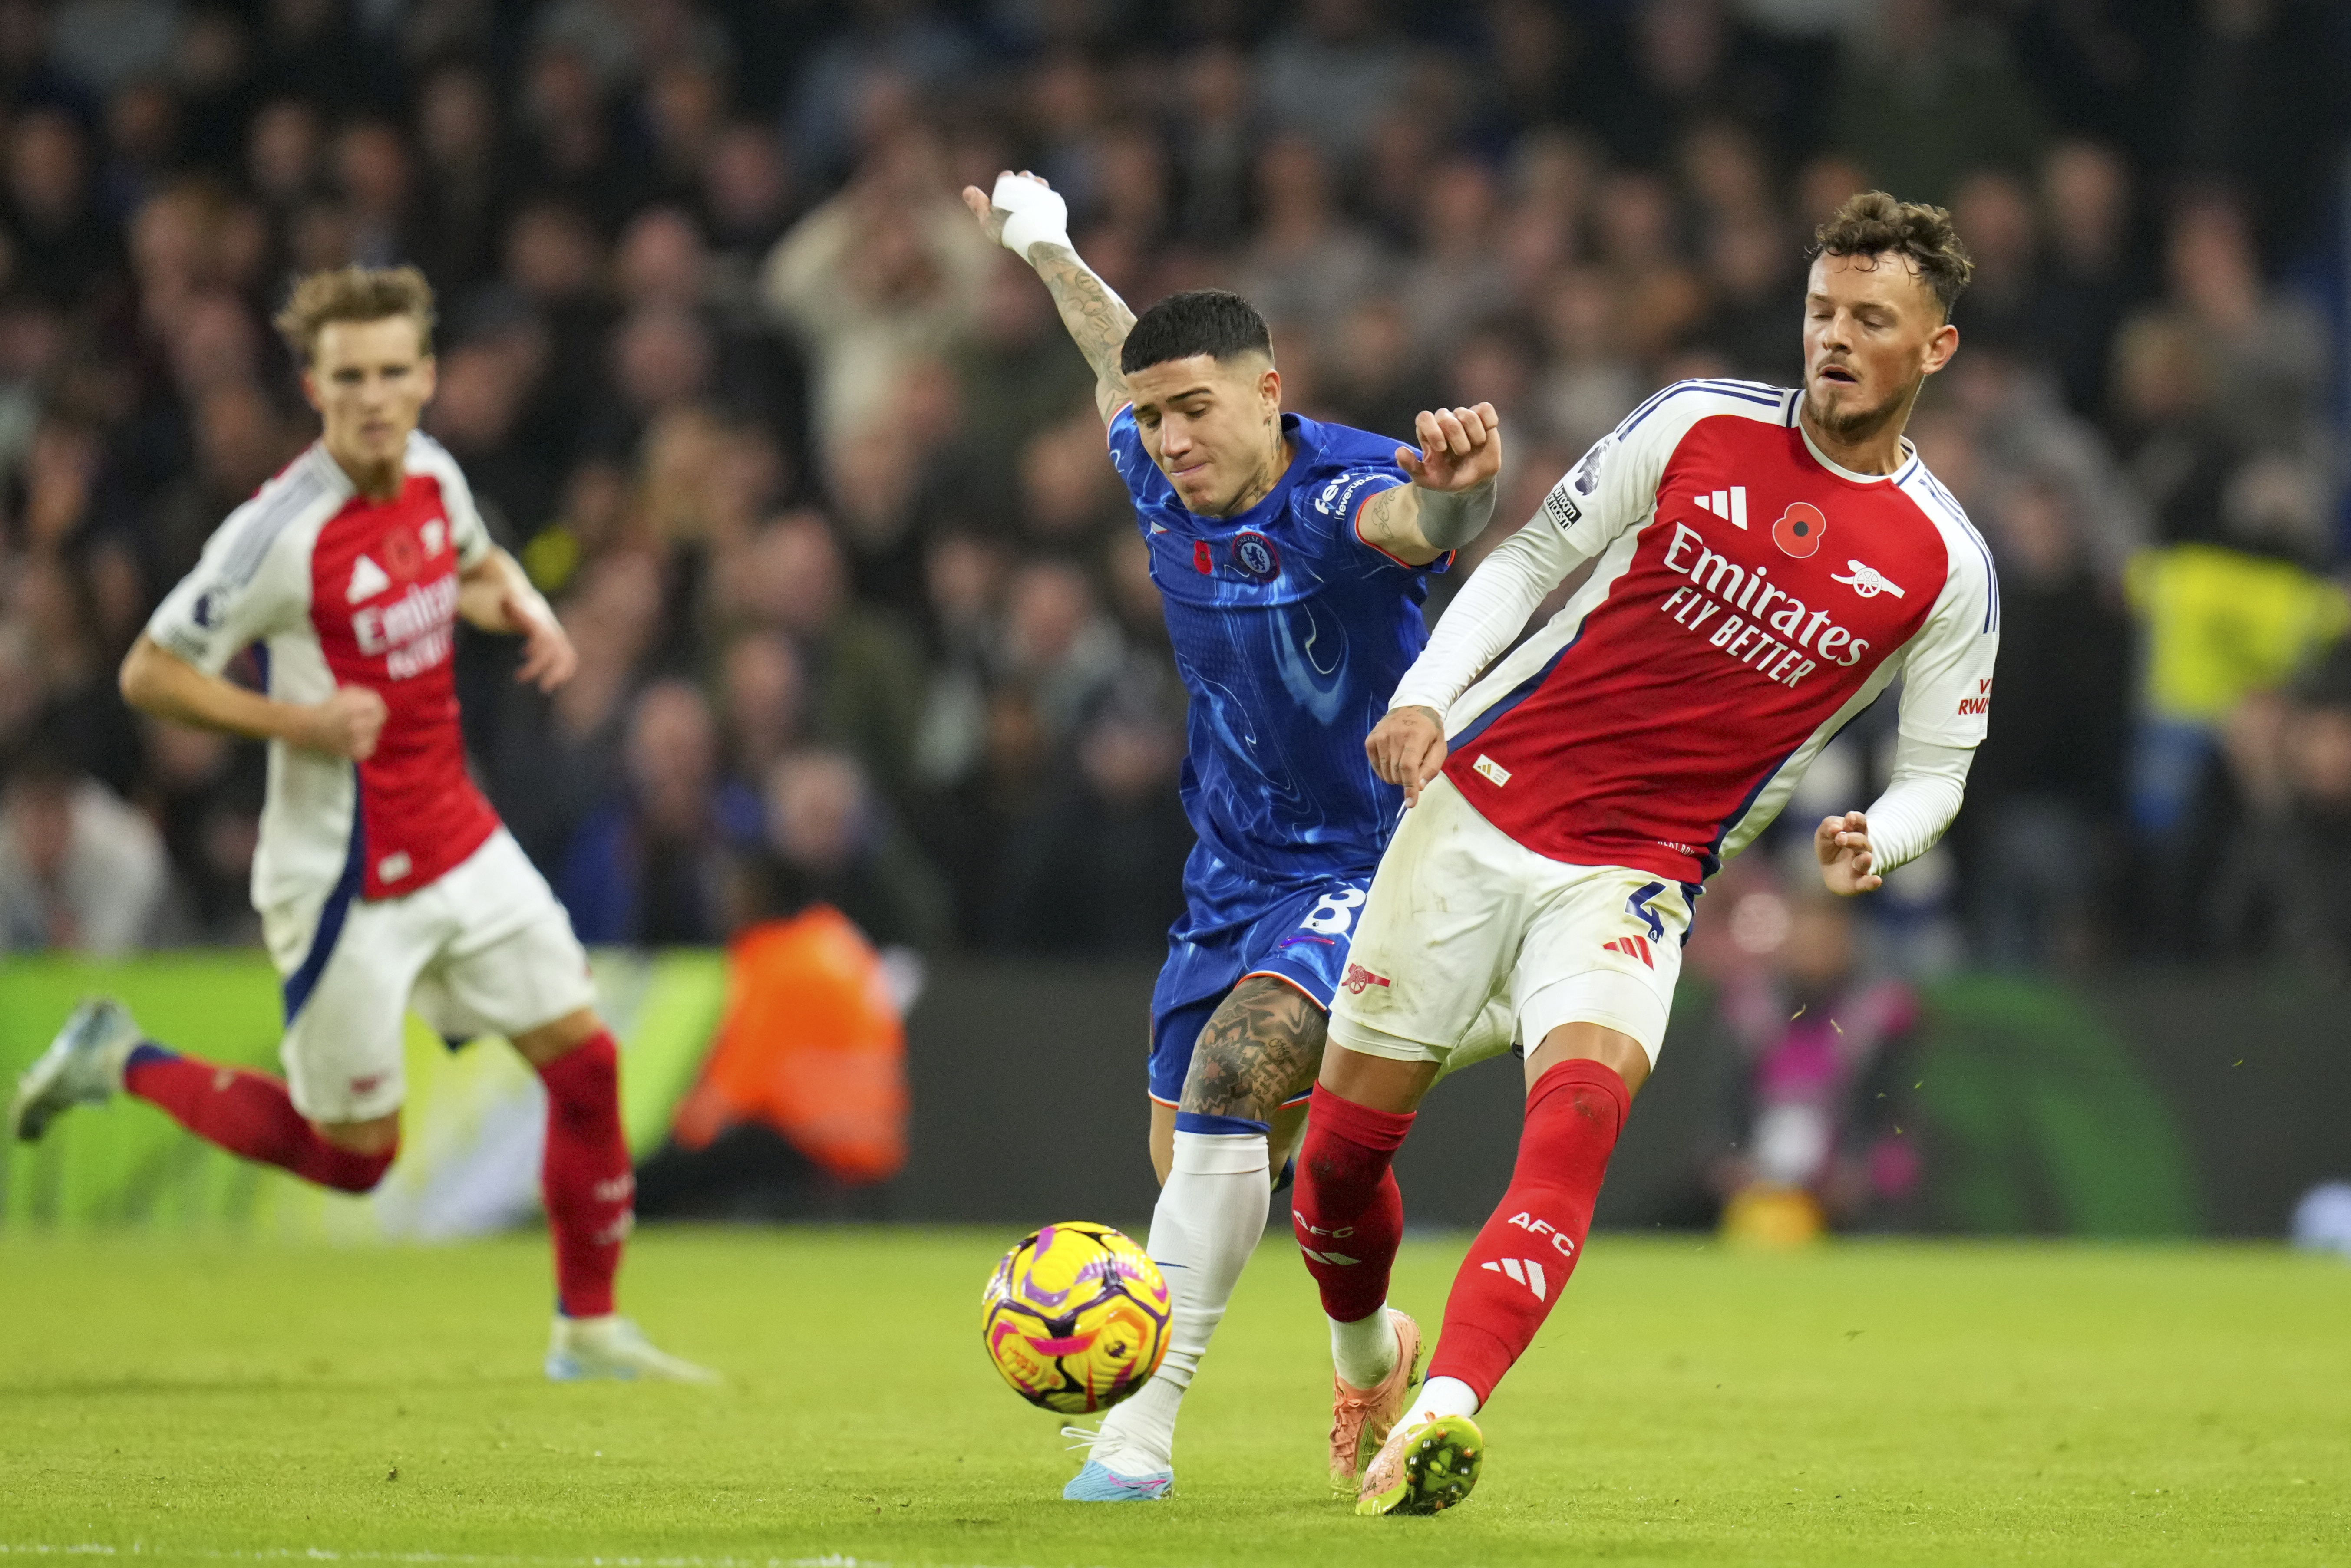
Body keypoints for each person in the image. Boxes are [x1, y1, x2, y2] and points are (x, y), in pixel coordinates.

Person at [1291, 191, 2001, 1515]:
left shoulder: (1945, 565)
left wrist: (1879, 837)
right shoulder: (1698, 422)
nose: (1834, 339)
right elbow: (1524, 563)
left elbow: (1938, 776)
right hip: (1478, 817)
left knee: (1575, 1131)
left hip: (1638, 879)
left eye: (1871, 321)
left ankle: (1446, 1411)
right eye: (1821, 311)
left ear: (1935, 350)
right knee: (1334, 1168)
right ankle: (1369, 1355)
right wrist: (1432, 696)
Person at [6, 265, 712, 1384]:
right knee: (355, 1163)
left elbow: (472, 571)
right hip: (342, 878)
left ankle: (589, 1329)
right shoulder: (276, 533)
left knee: (586, 1063)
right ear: (313, 386)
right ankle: (121, 1059)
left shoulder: (434, 473)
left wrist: (525, 604)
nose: (375, 397)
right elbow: (149, 672)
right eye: (350, 378)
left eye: (393, 373)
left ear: (426, 377)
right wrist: (299, 718)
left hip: (460, 838)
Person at [963, 171, 1504, 1501]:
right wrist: (1049, 248)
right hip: (1230, 879)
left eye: (1197, 407)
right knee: (1240, 1170)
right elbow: (1111, 351)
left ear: (1273, 391)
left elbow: (1423, 521)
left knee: (1233, 1070)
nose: (1169, 437)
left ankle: (1134, 1437)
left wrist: (1461, 496)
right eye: (1152, 417)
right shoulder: (1155, 468)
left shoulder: (1341, 492)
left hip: (1377, 862)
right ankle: (1372, 1350)